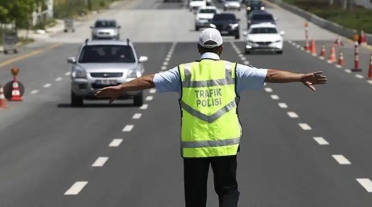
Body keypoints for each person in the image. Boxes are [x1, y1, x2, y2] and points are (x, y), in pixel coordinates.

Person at [95, 28, 327, 207]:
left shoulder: (183, 72)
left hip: (194, 146)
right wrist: (299, 77)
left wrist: (122, 87)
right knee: (227, 190)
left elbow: (149, 80)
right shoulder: (234, 70)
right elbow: (270, 74)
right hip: (225, 144)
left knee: (195, 197)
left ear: (198, 48)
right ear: (221, 48)